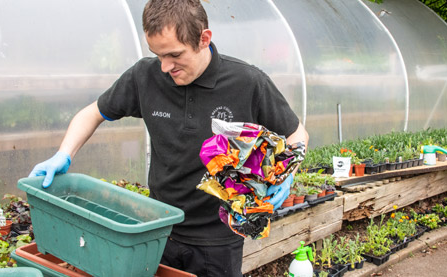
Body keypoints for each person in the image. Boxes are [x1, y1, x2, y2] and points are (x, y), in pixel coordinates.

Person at [28, 0, 309, 276]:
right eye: (158, 55)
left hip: (218, 239)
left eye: (174, 55)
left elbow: (297, 133)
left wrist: (286, 177)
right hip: (157, 230)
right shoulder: (145, 76)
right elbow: (94, 112)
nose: (165, 67)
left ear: (203, 39)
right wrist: (64, 154)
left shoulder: (247, 82)